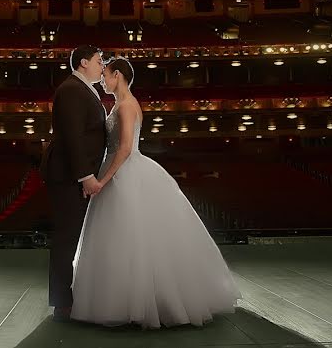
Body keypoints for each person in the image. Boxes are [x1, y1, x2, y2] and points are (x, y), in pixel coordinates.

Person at [71, 57, 241, 328]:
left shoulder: (126, 105)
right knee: (125, 238)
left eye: (106, 75)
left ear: (118, 75)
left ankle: (140, 303)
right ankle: (131, 300)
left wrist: (103, 179)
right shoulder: (120, 104)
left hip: (125, 172)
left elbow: (125, 148)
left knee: (131, 237)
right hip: (125, 170)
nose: (102, 80)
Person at [40, 45, 107, 322]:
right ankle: (62, 304)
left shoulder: (84, 89)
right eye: (98, 60)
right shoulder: (71, 89)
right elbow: (72, 137)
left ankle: (73, 296)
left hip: (74, 174)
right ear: (83, 63)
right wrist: (86, 176)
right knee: (67, 239)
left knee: (74, 239)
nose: (102, 65)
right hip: (68, 175)